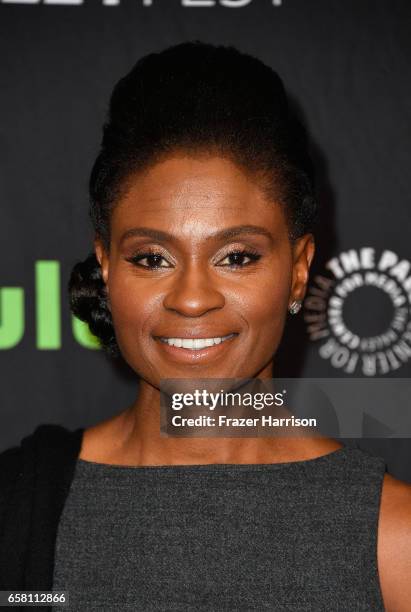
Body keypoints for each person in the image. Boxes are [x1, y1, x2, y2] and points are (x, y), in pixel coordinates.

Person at [1, 41, 410, 611]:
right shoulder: (17, 504)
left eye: (237, 257)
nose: (192, 300)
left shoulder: (395, 542)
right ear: (106, 267)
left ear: (297, 272)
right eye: (152, 258)